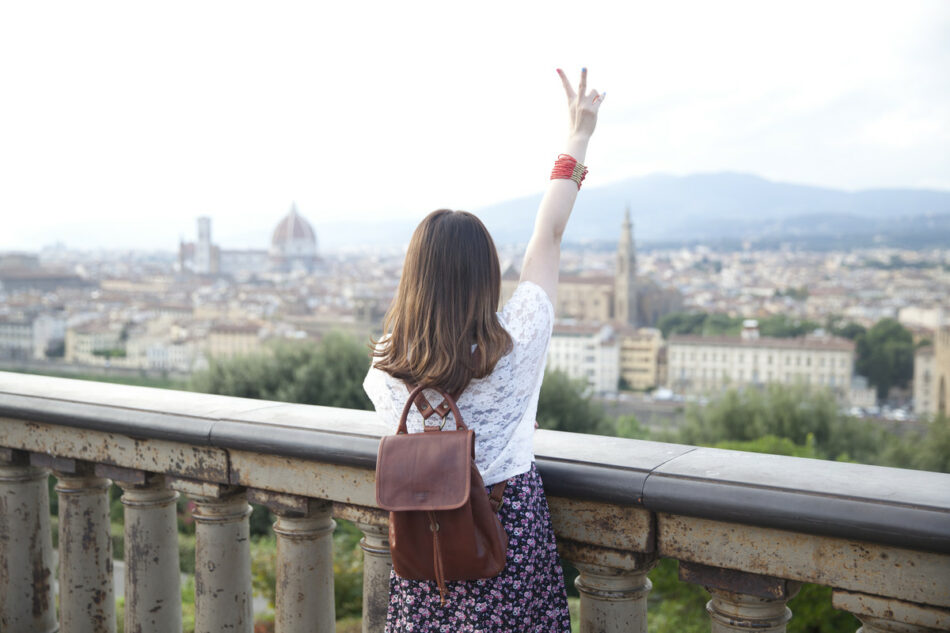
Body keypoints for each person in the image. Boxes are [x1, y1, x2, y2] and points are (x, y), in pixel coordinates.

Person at [363, 68, 603, 633]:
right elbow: (548, 235)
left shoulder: (385, 361)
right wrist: (579, 136)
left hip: (429, 555)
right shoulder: (516, 340)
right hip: (506, 533)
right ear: (486, 274)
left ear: (414, 278)